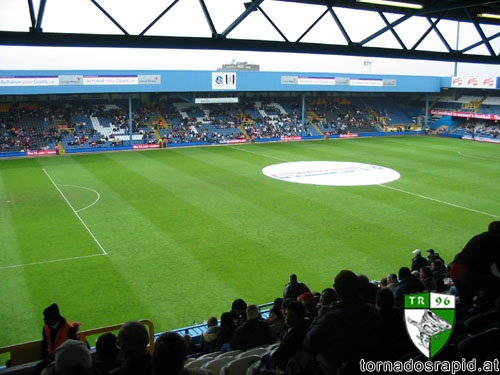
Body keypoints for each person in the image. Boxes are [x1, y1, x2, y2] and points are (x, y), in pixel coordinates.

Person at [301, 270, 378, 374]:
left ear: (336, 290)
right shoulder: (371, 309)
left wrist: (319, 317)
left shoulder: (332, 317)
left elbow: (309, 344)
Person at [450, 221, 500, 307]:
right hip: (467, 272)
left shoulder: (479, 237)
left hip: (455, 270)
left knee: (466, 301)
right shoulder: (495, 240)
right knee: (495, 286)